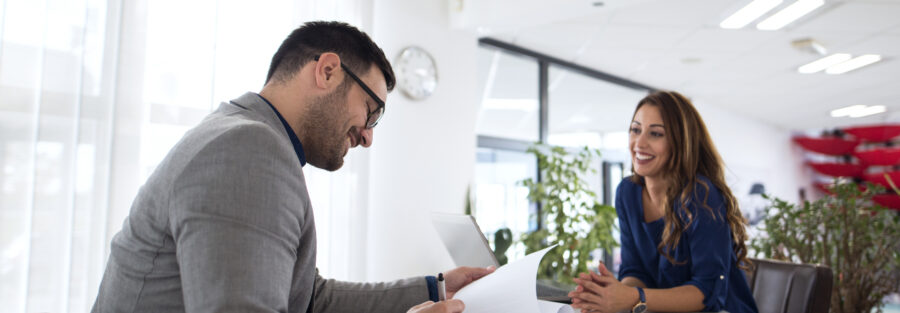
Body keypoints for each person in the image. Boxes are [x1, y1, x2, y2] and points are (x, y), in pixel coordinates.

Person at [91, 21, 492, 313]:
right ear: (327, 71)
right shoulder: (247, 149)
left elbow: (307, 297)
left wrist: (435, 289)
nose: (368, 136)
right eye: (371, 112)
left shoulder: (244, 136)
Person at [568, 91, 758, 313]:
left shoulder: (701, 195)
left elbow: (707, 292)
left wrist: (631, 297)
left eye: (656, 134)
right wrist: (611, 297)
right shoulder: (627, 193)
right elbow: (636, 271)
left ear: (680, 143)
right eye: (635, 130)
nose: (639, 143)